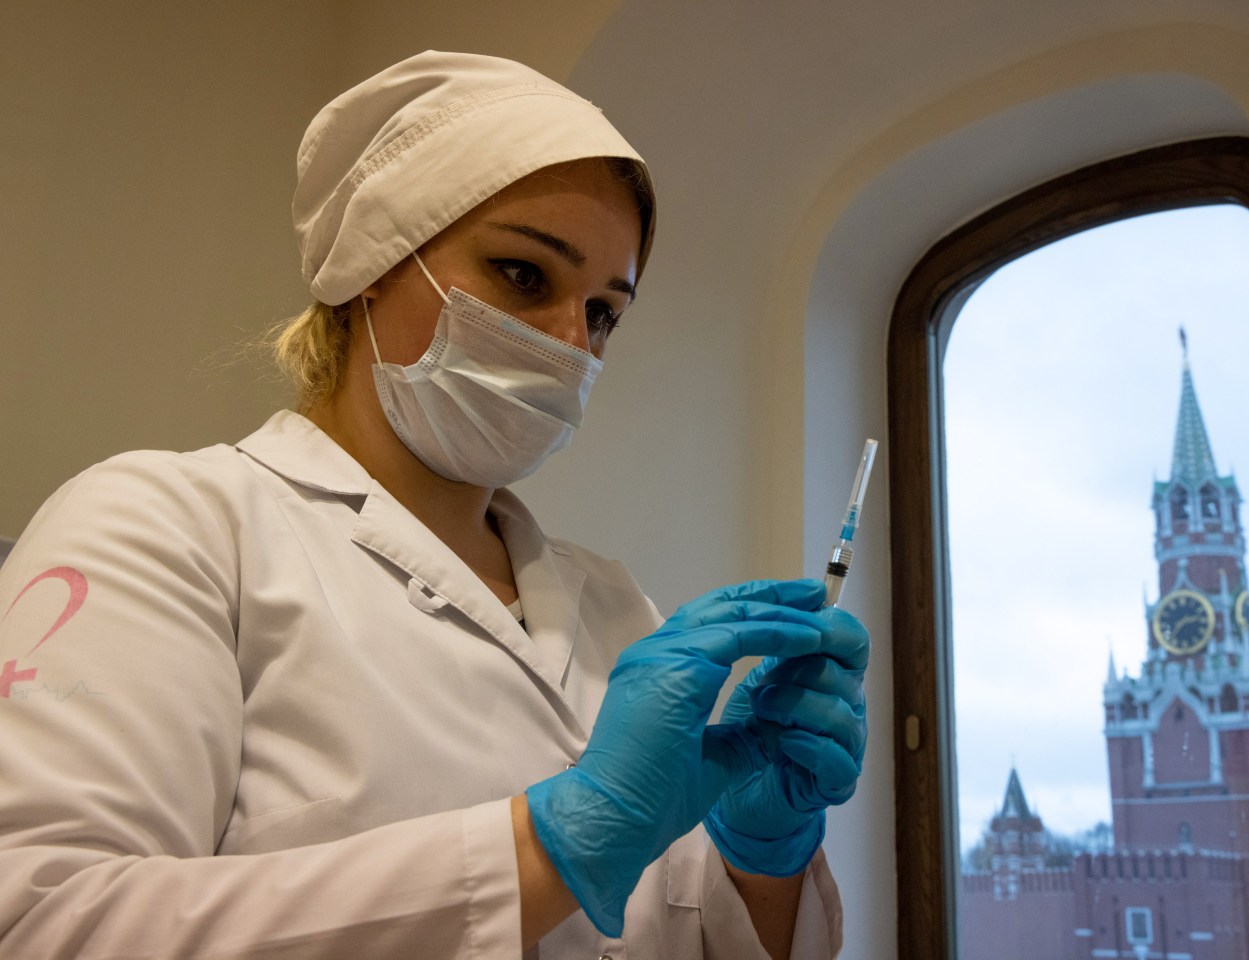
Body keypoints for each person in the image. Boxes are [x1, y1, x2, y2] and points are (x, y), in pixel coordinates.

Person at [0, 52, 868, 959]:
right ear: (372, 261)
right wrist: (551, 850)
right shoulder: (168, 527)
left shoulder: (617, 610)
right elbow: (40, 926)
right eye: (523, 274)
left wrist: (760, 859)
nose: (572, 344)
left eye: (604, 312)